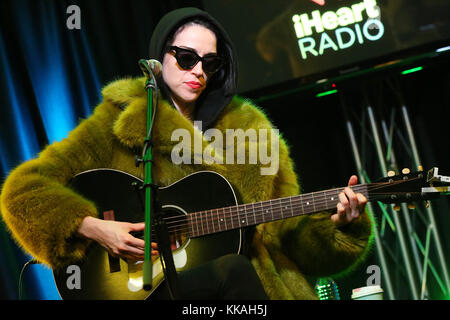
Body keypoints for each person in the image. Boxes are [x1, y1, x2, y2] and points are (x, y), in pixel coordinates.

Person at [0, 7, 372, 300]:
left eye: (210, 63)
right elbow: (23, 191)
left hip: (253, 293)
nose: (198, 71)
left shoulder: (252, 132)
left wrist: (340, 226)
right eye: (185, 57)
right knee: (232, 271)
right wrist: (95, 227)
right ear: (159, 59)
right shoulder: (117, 121)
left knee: (238, 273)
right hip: (153, 289)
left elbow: (291, 241)